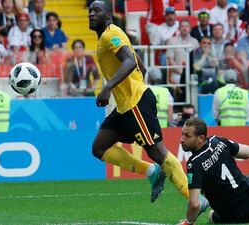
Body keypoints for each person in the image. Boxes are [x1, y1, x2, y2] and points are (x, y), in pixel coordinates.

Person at [88, 1, 209, 210]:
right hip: (127, 106)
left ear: (108, 15)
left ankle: (196, 200)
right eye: (90, 10)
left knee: (158, 153)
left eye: (97, 10)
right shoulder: (108, 36)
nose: (91, 14)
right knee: (98, 148)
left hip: (135, 103)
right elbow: (140, 64)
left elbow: (130, 62)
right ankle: (152, 172)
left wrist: (109, 87)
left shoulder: (110, 33)